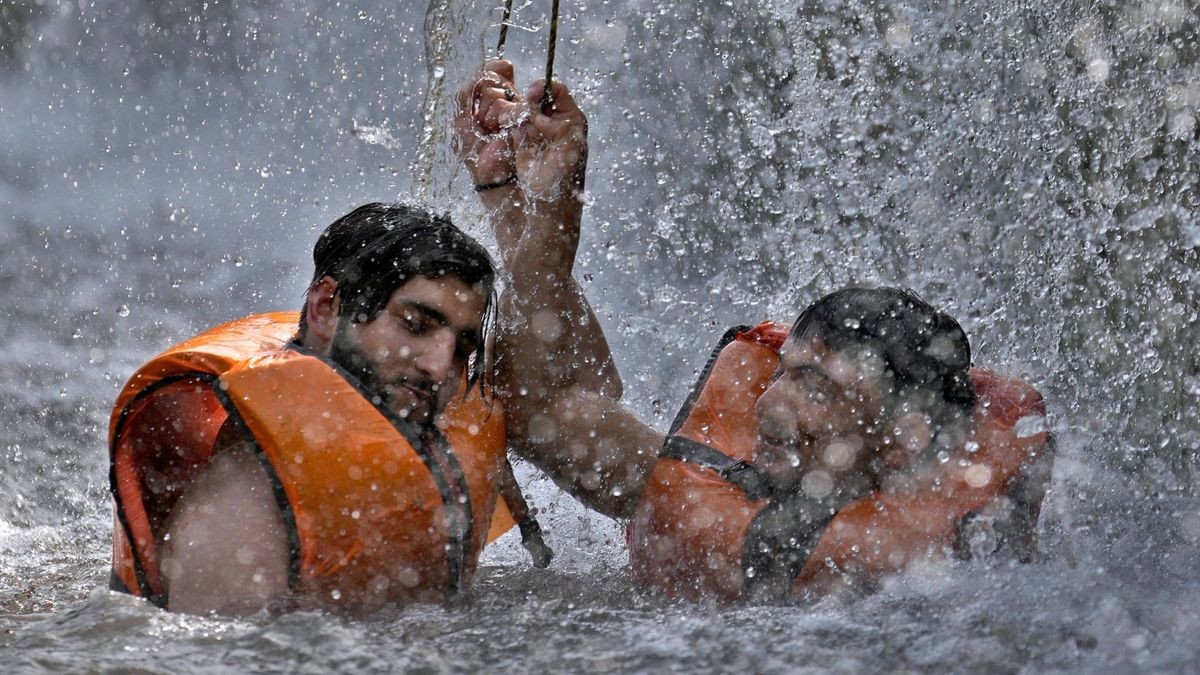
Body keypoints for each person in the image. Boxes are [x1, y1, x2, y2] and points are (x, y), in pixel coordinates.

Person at [458, 63, 1053, 601]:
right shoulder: (713, 486)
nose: (769, 403)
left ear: (906, 438)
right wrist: (541, 210)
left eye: (818, 389)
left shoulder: (939, 569)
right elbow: (543, 404)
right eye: (785, 373)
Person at [109, 203, 514, 615]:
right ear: (326, 306)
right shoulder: (246, 501)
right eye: (414, 324)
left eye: (462, 349)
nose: (440, 367)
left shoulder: (404, 450)